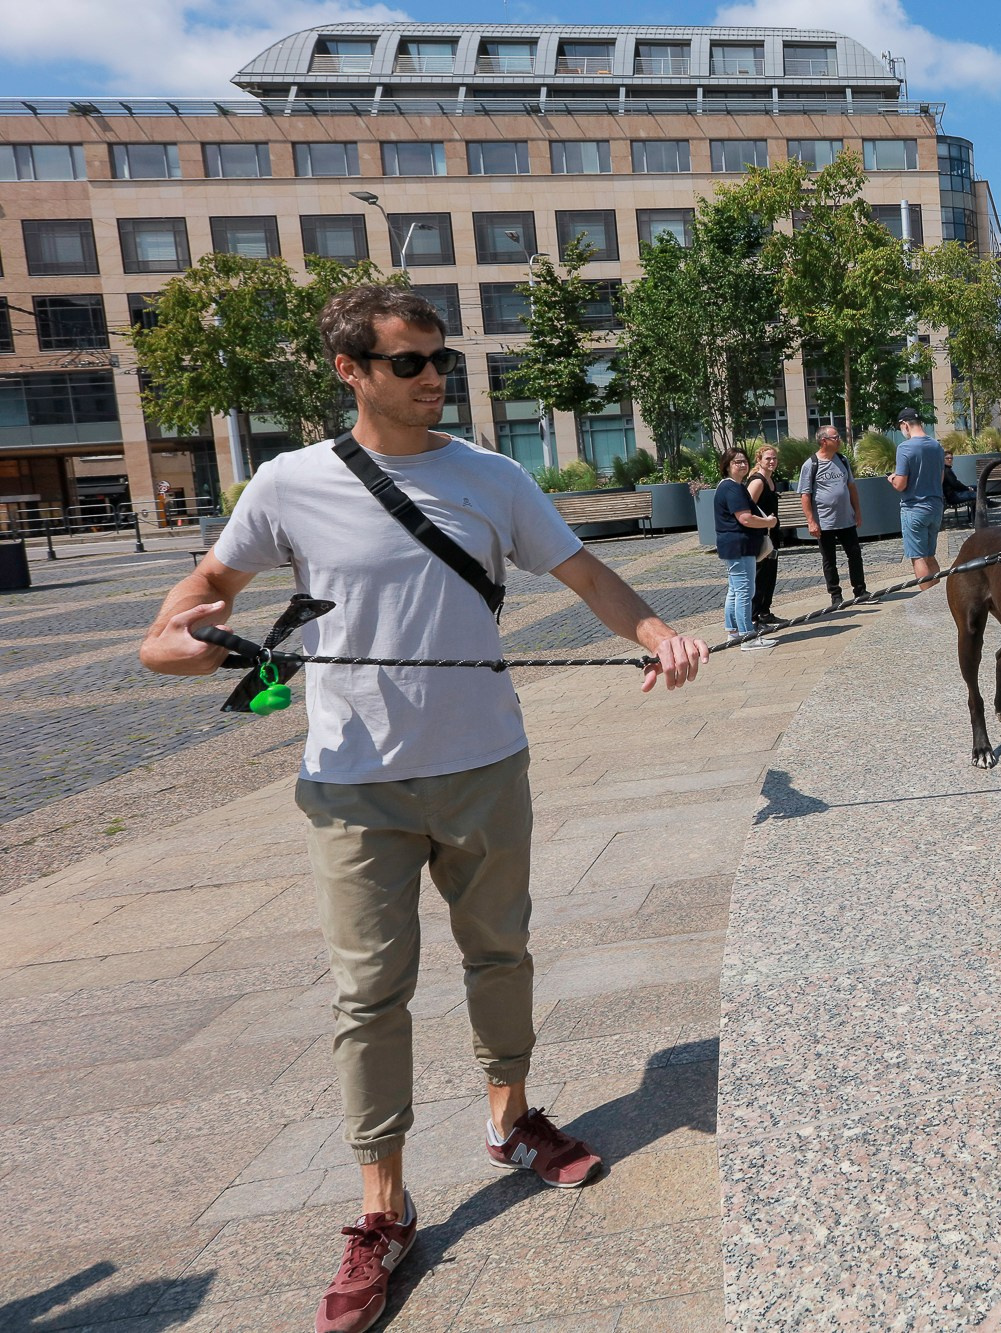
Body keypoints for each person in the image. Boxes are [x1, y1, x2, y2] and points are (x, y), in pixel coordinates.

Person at [137, 285, 708, 1333]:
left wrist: (656, 633)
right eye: (408, 361)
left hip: (484, 759)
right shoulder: (287, 482)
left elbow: (582, 571)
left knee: (501, 953)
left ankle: (510, 1117)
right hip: (352, 781)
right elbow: (187, 612)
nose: (434, 376)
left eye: (438, 357)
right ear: (350, 370)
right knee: (370, 993)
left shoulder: (489, 475)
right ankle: (381, 1208)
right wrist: (185, 644)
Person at [715, 446, 779, 647]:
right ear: (727, 466)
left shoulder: (732, 486)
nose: (742, 465)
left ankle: (733, 632)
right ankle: (747, 636)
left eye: (744, 461)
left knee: (735, 590)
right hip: (739, 545)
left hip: (734, 545)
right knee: (744, 591)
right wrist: (768, 522)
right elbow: (745, 518)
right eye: (737, 462)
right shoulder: (732, 488)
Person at [800, 426, 869, 609]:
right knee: (829, 560)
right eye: (835, 437)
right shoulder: (811, 464)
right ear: (824, 441)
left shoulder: (842, 460)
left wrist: (858, 511)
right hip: (825, 522)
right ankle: (835, 595)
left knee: (855, 554)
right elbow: (805, 495)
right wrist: (811, 521)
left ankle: (860, 590)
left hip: (846, 519)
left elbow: (851, 487)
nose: (839, 440)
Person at [889, 406, 945, 588]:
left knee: (918, 557)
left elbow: (901, 484)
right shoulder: (937, 446)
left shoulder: (905, 448)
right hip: (935, 506)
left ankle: (927, 601)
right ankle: (940, 597)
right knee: (930, 555)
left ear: (904, 425)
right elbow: (941, 477)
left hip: (914, 508)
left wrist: (892, 479)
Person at [745, 444, 785, 628]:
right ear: (759, 460)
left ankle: (765, 611)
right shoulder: (758, 481)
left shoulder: (770, 480)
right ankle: (754, 616)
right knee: (760, 576)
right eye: (768, 458)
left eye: (774, 458)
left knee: (770, 574)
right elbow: (747, 508)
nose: (772, 461)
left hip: (772, 533)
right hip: (761, 534)